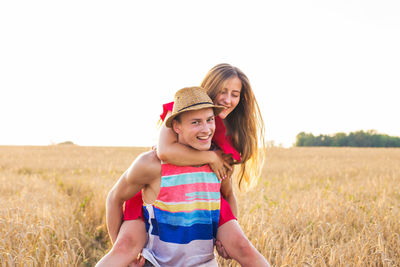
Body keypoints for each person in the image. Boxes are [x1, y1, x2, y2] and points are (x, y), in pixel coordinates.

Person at [98, 64, 269, 266]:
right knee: (125, 248)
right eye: (222, 91)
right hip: (161, 187)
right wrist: (212, 157)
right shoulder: (180, 109)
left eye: (235, 94)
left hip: (206, 189)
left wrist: (225, 232)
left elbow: (227, 190)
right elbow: (165, 152)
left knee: (243, 246)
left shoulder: (228, 128)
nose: (227, 99)